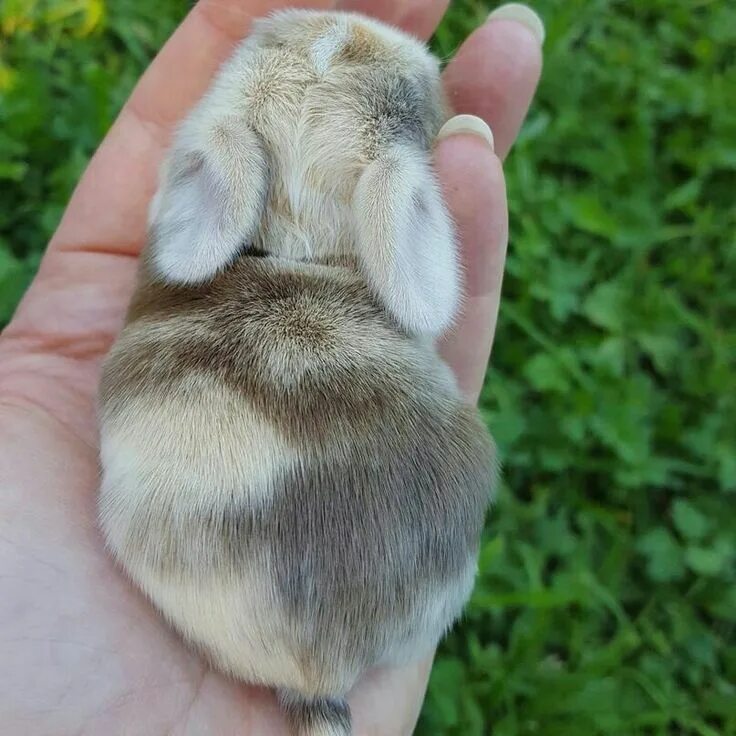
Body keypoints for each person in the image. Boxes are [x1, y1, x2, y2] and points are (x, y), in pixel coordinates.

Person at [0, 0, 542, 732]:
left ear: (222, 161)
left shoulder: (180, 285)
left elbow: (181, 240)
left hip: (204, 581)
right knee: (441, 449)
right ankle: (331, 679)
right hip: (396, 601)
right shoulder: (390, 247)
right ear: (394, 199)